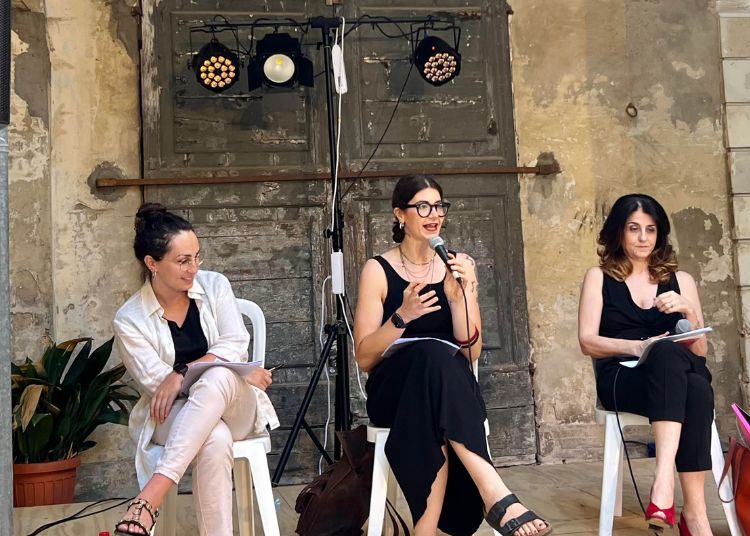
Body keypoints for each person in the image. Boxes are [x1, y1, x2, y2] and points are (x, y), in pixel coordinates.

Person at [354, 175, 552, 536]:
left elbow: (471, 350)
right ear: (400, 214)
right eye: (423, 207)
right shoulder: (377, 270)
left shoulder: (459, 265)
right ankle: (495, 493)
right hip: (395, 392)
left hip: (447, 391)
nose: (434, 215)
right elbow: (365, 358)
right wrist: (403, 316)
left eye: (439, 206)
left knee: (438, 377)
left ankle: (426, 530)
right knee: (430, 356)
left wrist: (461, 298)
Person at [112, 203, 279, 536]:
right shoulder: (129, 319)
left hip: (236, 408)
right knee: (213, 436)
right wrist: (233, 368)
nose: (194, 269)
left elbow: (236, 343)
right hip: (169, 414)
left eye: (197, 257)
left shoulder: (215, 286)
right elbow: (157, 384)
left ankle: (148, 498)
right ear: (152, 263)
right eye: (183, 261)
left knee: (219, 376)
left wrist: (183, 372)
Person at [578, 193, 714, 536]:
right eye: (634, 228)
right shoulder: (599, 278)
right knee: (674, 364)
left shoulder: (682, 281)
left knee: (693, 383)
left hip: (674, 380)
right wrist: (640, 347)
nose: (643, 238)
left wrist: (688, 310)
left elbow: (700, 351)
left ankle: (684, 505)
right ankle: (677, 498)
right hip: (622, 379)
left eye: (650, 230)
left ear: (660, 234)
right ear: (618, 232)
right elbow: (587, 342)